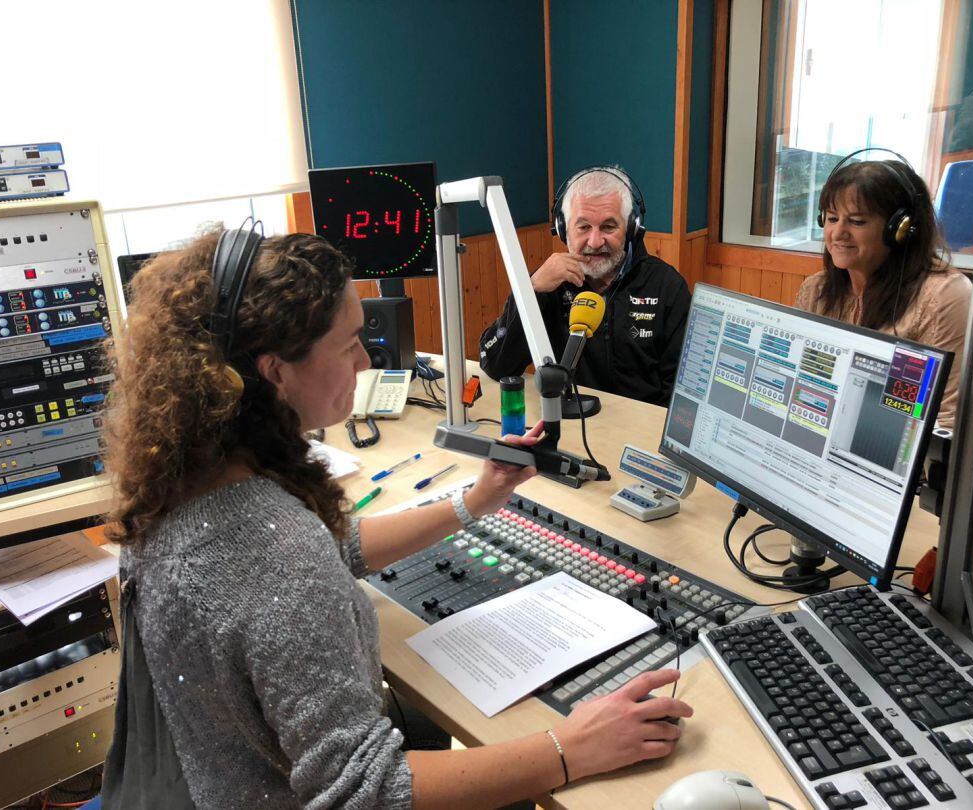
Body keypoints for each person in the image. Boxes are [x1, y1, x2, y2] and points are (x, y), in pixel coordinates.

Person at [100, 228, 693, 809]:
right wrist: (571, 747)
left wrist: (475, 500)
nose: (366, 359)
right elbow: (369, 789)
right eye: (348, 343)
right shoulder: (277, 558)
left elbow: (328, 552)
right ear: (276, 370)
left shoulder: (189, 479)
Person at [479, 168, 692, 407]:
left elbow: (681, 392)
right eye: (583, 227)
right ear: (563, 230)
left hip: (639, 430)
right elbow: (496, 364)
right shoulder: (549, 285)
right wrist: (531, 291)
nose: (595, 241)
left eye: (609, 227)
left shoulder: (666, 287)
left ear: (632, 229)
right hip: (569, 424)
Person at [795, 158, 973, 426]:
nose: (838, 233)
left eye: (856, 221)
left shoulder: (944, 297)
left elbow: (945, 422)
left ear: (899, 229)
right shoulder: (815, 290)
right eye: (832, 219)